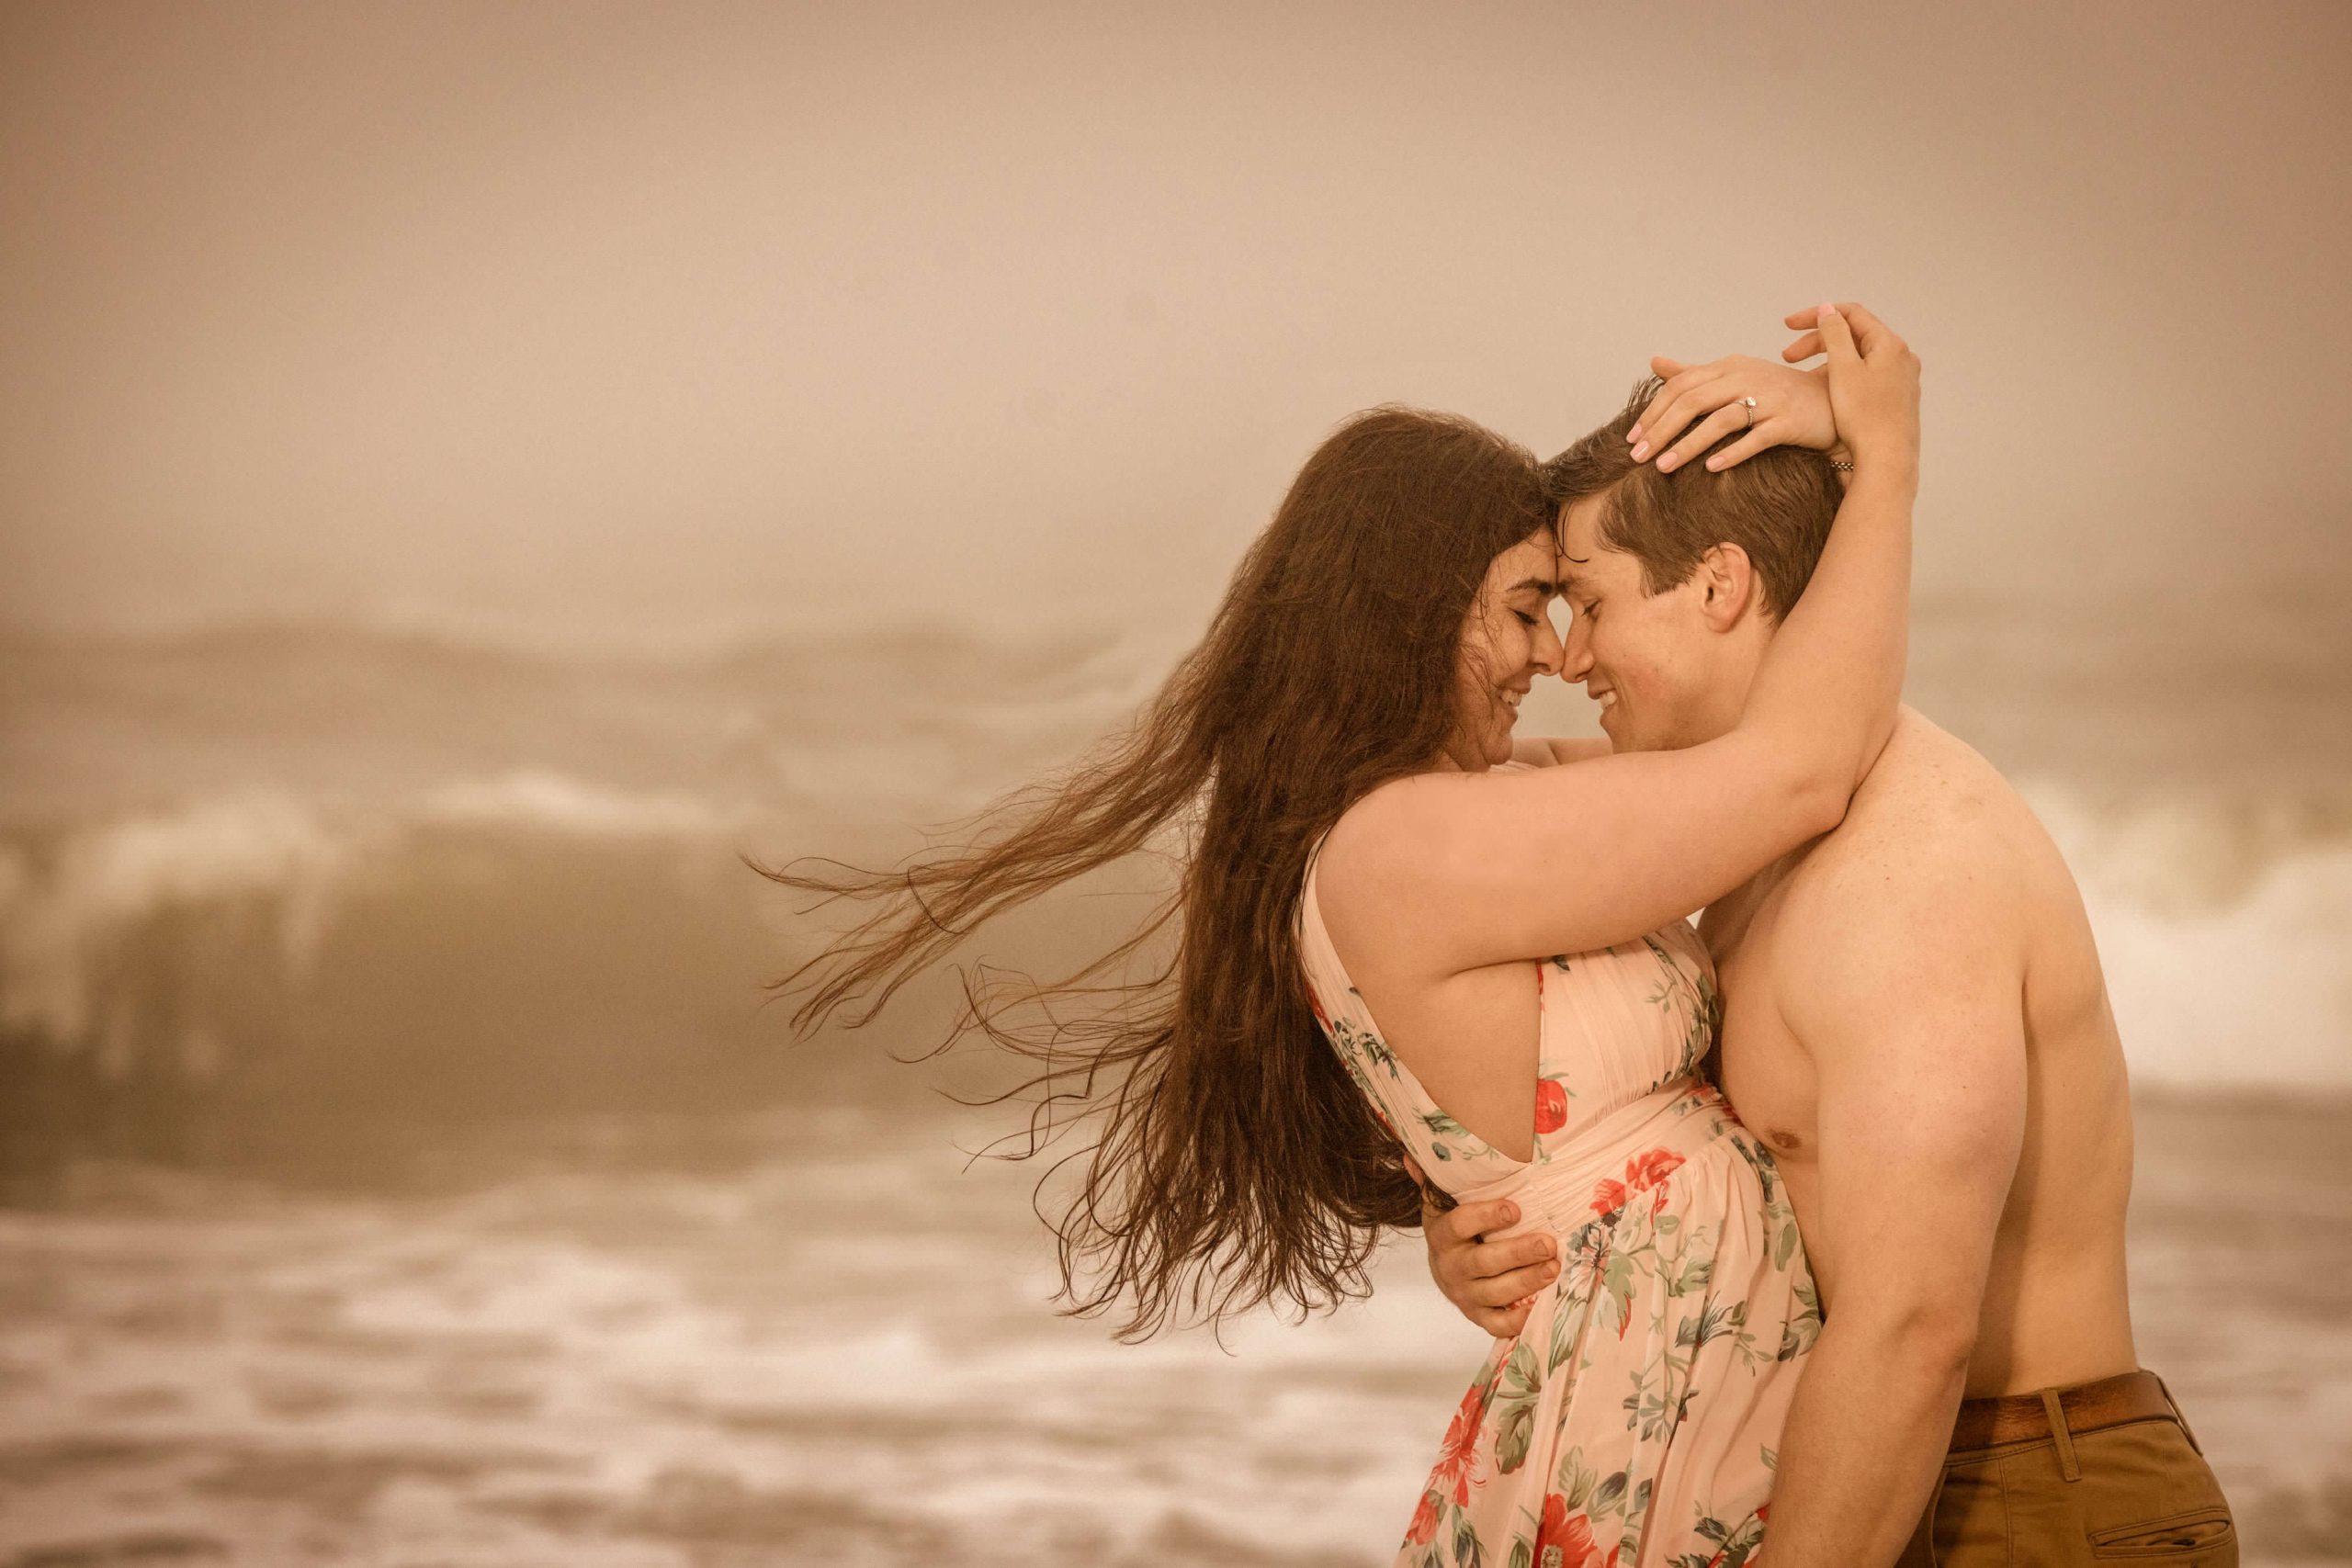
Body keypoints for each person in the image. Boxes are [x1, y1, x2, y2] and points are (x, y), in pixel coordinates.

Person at [767, 300, 1916, 1568]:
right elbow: (1799, 770)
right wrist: (1885, 454)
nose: (1549, 653)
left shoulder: (1462, 809)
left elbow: (1732, 739)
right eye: (1525, 608)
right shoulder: (1403, 845)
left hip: (1673, 1378)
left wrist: (1785, 458)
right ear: (1411, 616)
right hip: (1643, 1407)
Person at [1417, 333, 2237, 1566]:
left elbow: (1915, 1328)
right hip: (1897, 1477)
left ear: (1718, 585)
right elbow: (1429, 829)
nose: (1569, 660)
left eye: (1590, 606)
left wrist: (1879, 439)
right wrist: (1474, 1224)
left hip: (2021, 1497)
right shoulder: (1748, 832)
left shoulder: (1906, 872)